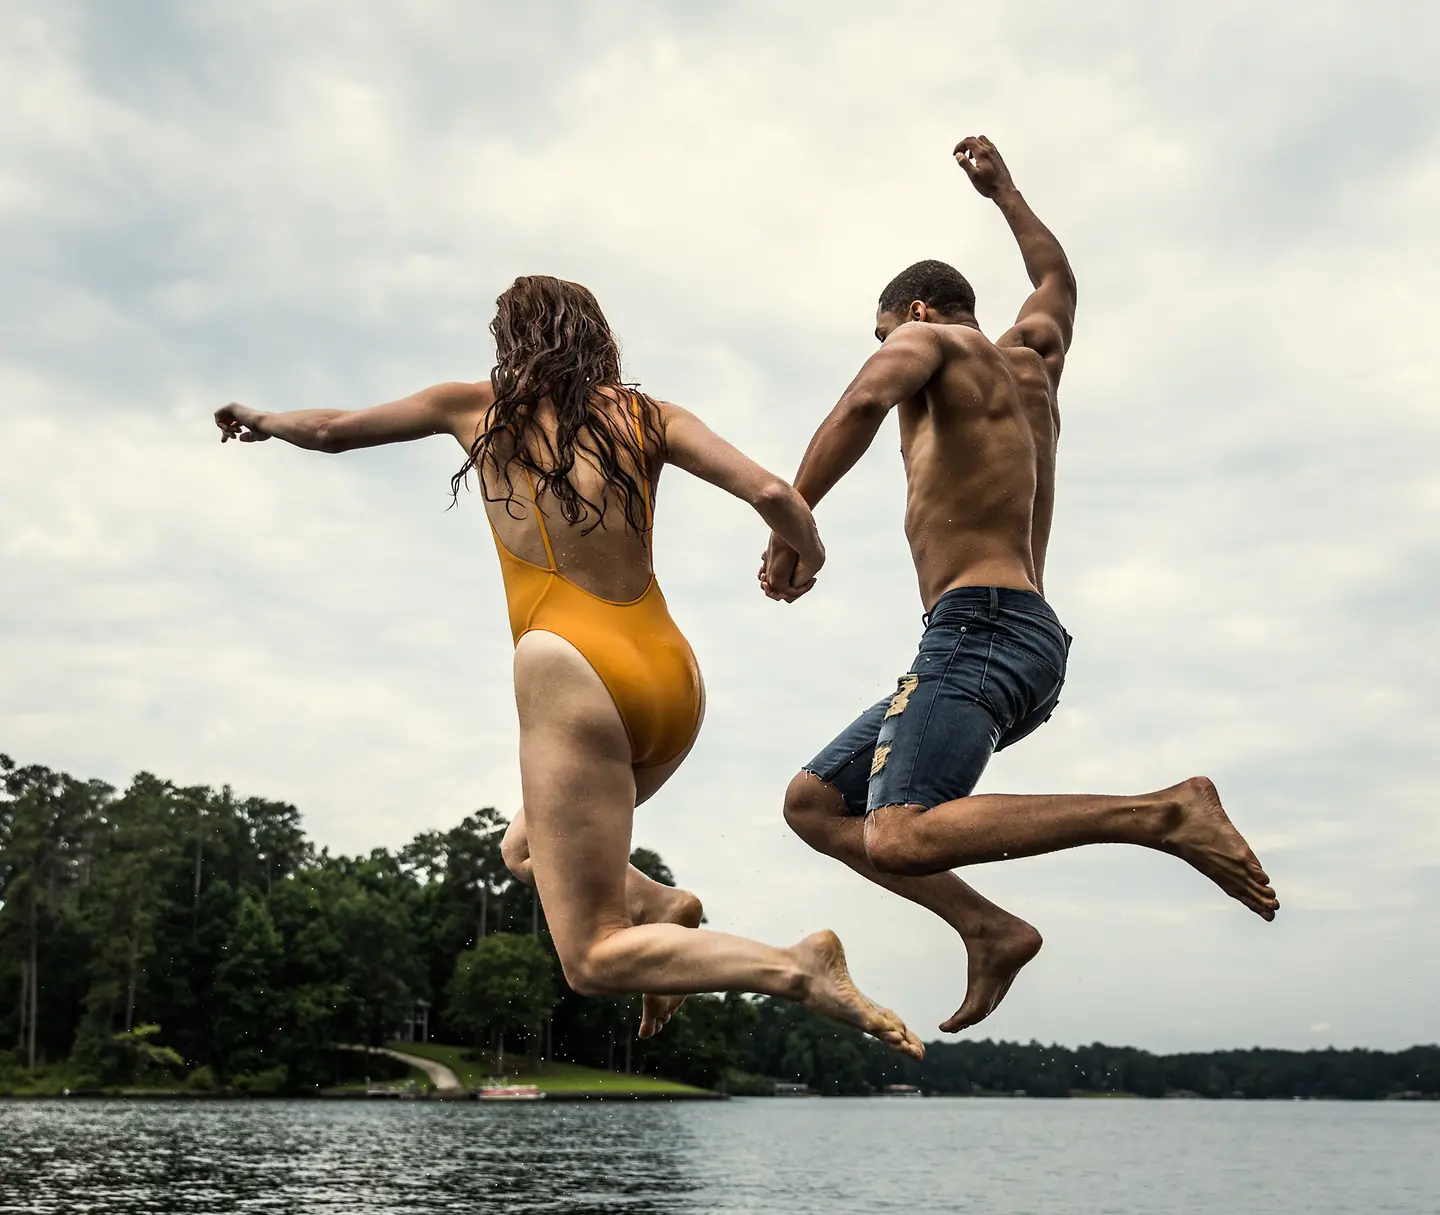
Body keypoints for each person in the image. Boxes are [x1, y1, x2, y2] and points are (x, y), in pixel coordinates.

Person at [216, 274, 923, 1058]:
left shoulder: (475, 409)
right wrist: (804, 555)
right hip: (668, 677)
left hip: (570, 673)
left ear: (510, 342)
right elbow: (770, 490)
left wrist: (261, 419)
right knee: (522, 848)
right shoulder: (652, 416)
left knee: (591, 957)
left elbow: (335, 429)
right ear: (595, 337)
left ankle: (793, 967)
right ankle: (662, 907)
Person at [763, 136, 1278, 1034]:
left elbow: (858, 405)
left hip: (977, 627)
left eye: (887, 331)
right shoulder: (1033, 357)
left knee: (899, 830)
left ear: (916, 311)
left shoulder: (927, 339)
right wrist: (1004, 192)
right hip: (1017, 637)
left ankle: (1159, 814)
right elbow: (1057, 280)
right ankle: (988, 928)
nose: (894, 346)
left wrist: (791, 518)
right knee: (815, 805)